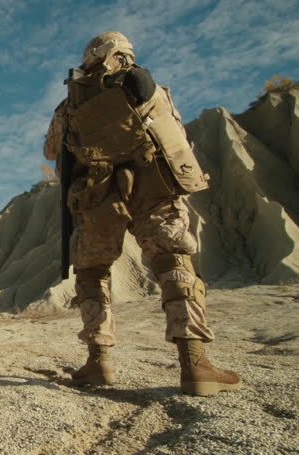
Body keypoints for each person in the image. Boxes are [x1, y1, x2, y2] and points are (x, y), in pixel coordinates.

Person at [44, 32, 241, 396]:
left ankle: (98, 362)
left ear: (90, 57)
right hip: (154, 188)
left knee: (93, 273)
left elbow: (51, 149)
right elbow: (174, 136)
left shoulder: (69, 104)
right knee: (174, 263)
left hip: (98, 196)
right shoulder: (150, 88)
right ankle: (194, 363)